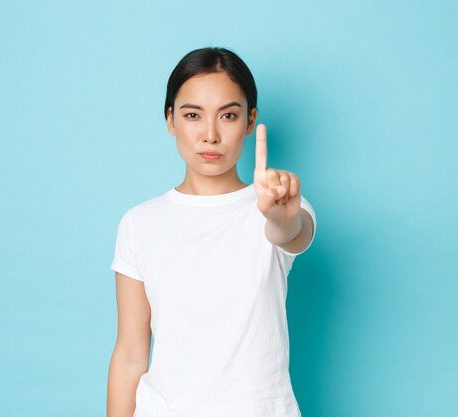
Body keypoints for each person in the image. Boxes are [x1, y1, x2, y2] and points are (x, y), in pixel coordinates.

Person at [107, 47, 317, 417]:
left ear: (250, 121)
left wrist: (282, 216)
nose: (210, 134)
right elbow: (129, 355)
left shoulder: (279, 203)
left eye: (228, 116)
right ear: (170, 120)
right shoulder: (139, 223)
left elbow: (290, 231)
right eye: (192, 115)